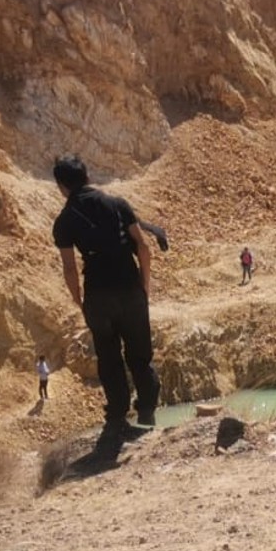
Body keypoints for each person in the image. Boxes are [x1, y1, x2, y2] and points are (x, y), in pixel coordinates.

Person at [51, 156, 160, 462]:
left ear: (61, 186)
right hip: (130, 288)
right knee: (140, 354)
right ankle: (148, 413)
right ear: (87, 174)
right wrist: (144, 285)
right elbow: (143, 247)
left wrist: (79, 300)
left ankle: (117, 419)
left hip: (97, 294)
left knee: (109, 358)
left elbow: (70, 269)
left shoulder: (64, 220)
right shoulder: (118, 204)